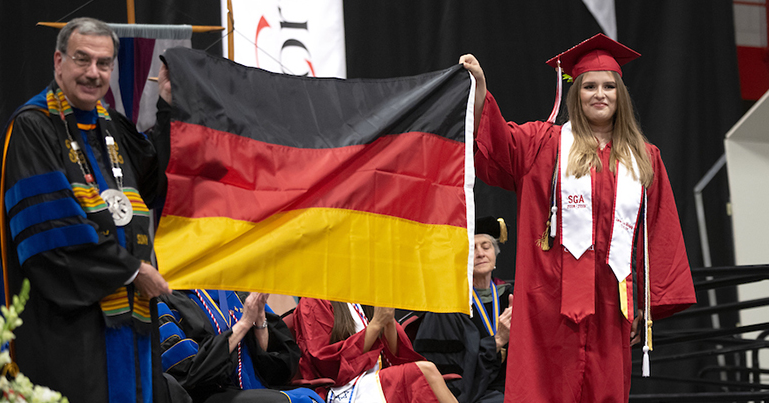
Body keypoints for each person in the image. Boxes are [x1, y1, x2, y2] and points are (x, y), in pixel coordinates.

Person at [460, 33, 696, 402]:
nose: (599, 93)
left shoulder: (644, 159)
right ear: (576, 93)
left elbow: (659, 233)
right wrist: (480, 93)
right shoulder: (544, 144)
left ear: (620, 95)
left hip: (609, 307)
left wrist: (645, 307)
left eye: (608, 86)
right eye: (589, 86)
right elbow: (498, 147)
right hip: (547, 305)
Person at [0, 17, 172, 403]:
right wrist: (132, 270)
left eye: (103, 63)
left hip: (131, 327)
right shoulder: (32, 129)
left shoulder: (112, 128)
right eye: (82, 59)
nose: (93, 73)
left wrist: (169, 111)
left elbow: (157, 182)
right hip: (71, 333)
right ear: (58, 61)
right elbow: (51, 239)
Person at [411, 216, 513, 403]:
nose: (480, 253)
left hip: (514, 386)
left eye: (486, 246)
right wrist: (497, 341)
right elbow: (451, 379)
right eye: (472, 248)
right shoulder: (447, 307)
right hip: (475, 396)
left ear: (495, 253)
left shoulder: (512, 297)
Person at [156, 290, 323, 403]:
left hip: (254, 389)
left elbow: (275, 368)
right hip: (206, 395)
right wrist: (243, 324)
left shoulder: (236, 291)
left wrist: (258, 318)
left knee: (310, 397)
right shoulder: (164, 299)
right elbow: (188, 374)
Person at [293, 298, 459, 403]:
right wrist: (376, 324)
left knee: (424, 372)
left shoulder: (365, 296)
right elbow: (327, 364)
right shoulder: (314, 300)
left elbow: (395, 356)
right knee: (426, 371)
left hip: (376, 377)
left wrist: (387, 322)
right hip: (342, 389)